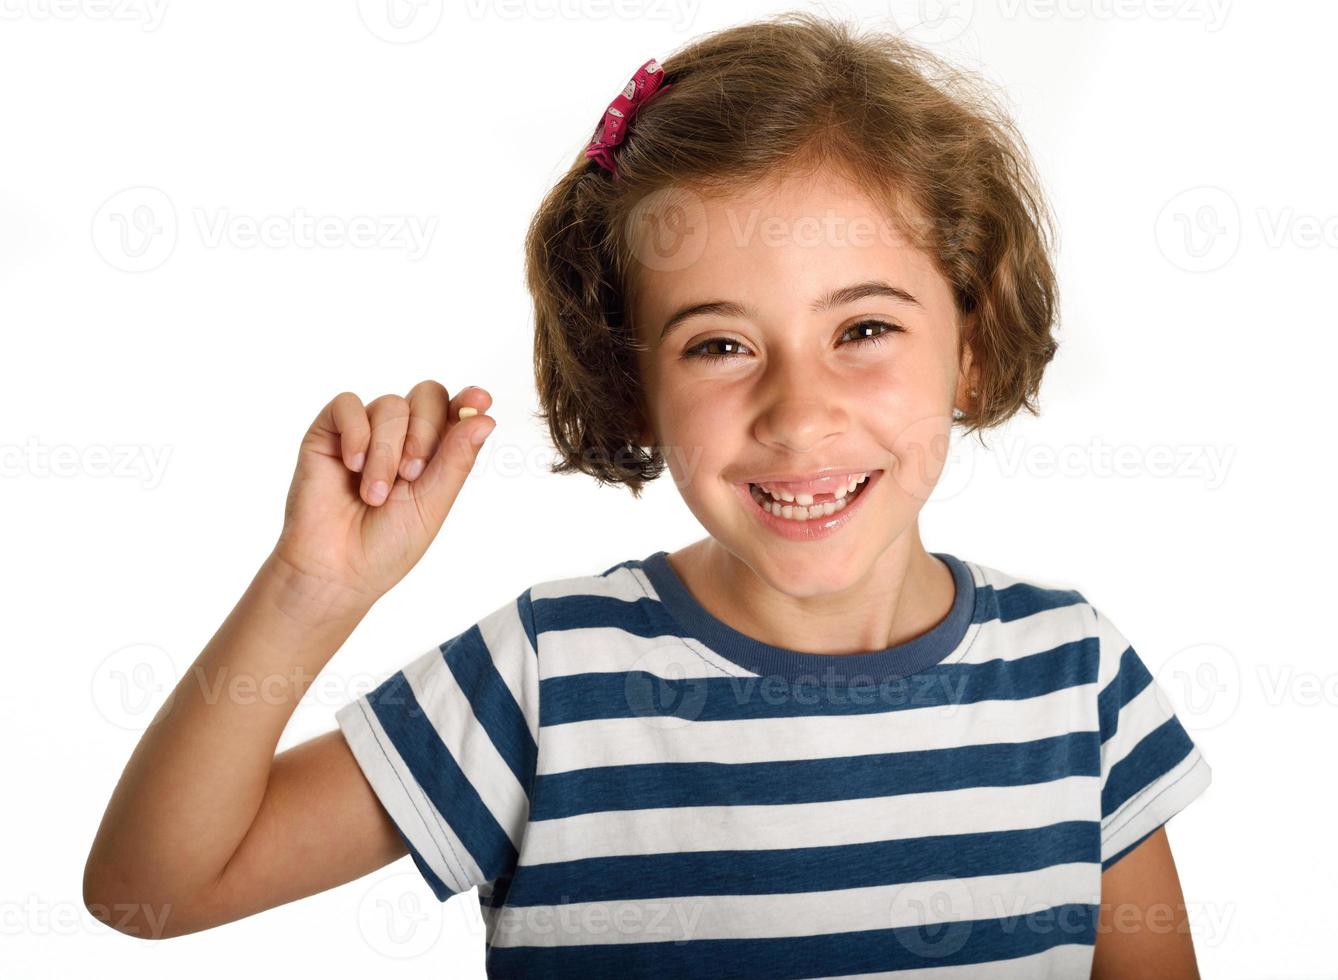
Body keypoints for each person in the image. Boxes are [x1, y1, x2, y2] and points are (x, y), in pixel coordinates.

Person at [84, 12, 1212, 978]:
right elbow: (153, 887)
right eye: (719, 344)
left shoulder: (1074, 674)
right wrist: (312, 586)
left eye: (862, 328)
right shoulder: (545, 678)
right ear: (631, 385)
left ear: (969, 340)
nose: (795, 410)